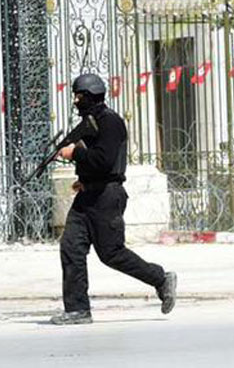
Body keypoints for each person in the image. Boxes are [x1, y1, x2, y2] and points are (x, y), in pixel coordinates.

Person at [49, 73, 177, 325]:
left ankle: (161, 279)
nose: (76, 101)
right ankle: (77, 309)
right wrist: (84, 177)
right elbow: (95, 162)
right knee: (71, 246)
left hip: (107, 197)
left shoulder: (110, 122)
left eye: (79, 96)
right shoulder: (90, 122)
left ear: (91, 96)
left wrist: (74, 153)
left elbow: (105, 160)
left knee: (111, 253)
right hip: (88, 194)